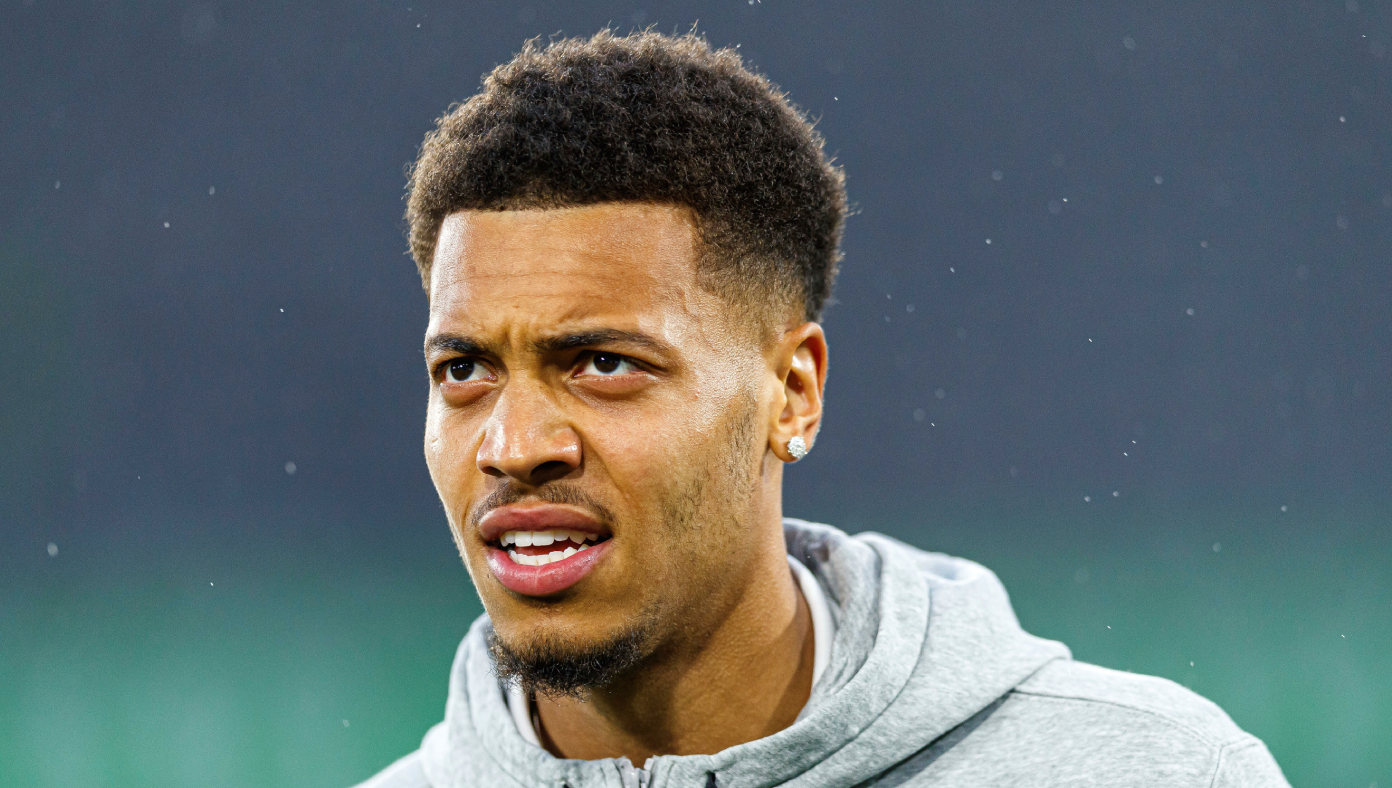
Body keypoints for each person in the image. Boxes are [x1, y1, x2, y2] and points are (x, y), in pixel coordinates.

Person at [355, 29, 1288, 788]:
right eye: (464, 370)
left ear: (792, 394)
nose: (515, 445)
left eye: (603, 364)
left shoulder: (1158, 773)